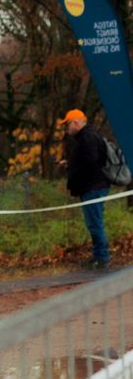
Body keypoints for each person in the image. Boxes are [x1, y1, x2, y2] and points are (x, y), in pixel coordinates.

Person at [61, 109, 110, 269]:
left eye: (67, 124)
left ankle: (101, 259)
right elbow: (88, 160)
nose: (66, 129)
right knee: (94, 223)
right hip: (94, 186)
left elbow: (90, 162)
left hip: (92, 188)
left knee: (95, 224)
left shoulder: (87, 138)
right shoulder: (89, 136)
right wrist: (70, 164)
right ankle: (98, 256)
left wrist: (74, 169)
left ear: (75, 123)